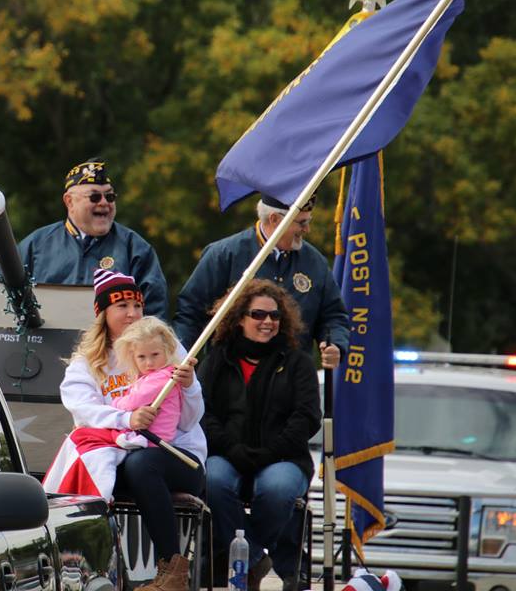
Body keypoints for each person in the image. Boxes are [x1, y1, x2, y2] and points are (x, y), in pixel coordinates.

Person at [60, 270, 206, 591]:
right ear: (103, 313)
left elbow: (190, 420)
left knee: (142, 465)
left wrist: (191, 387)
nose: (132, 313)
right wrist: (127, 420)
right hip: (119, 456)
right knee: (99, 471)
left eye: (136, 305)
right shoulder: (86, 363)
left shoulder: (164, 347)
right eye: (122, 306)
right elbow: (81, 410)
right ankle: (97, 571)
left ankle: (172, 571)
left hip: (178, 456)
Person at [198, 280, 321, 591]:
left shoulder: (298, 363)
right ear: (239, 318)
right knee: (211, 481)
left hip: (283, 458)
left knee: (277, 489)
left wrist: (272, 452)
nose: (268, 322)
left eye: (275, 316)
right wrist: (230, 448)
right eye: (258, 315)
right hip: (226, 454)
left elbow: (307, 418)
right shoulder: (217, 359)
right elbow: (201, 413)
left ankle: (244, 556)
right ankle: (255, 560)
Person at [174, 193, 349, 365]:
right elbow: (190, 313)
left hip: (293, 381)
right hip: (233, 380)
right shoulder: (224, 255)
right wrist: (178, 361)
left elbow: (333, 315)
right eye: (302, 223)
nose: (307, 229)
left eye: (308, 221)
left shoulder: (315, 262)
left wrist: (336, 344)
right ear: (274, 219)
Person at [17, 158, 169, 319]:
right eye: (94, 197)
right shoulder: (37, 245)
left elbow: (154, 316)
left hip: (115, 344)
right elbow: (3, 296)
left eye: (110, 197)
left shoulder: (135, 248)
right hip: (45, 343)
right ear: (70, 202)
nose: (104, 203)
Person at [111, 316, 183, 444]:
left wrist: (116, 403)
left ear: (167, 351)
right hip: (149, 435)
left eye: (155, 354)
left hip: (152, 438)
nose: (149, 363)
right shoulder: (150, 377)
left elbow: (135, 400)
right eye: (141, 357)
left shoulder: (163, 376)